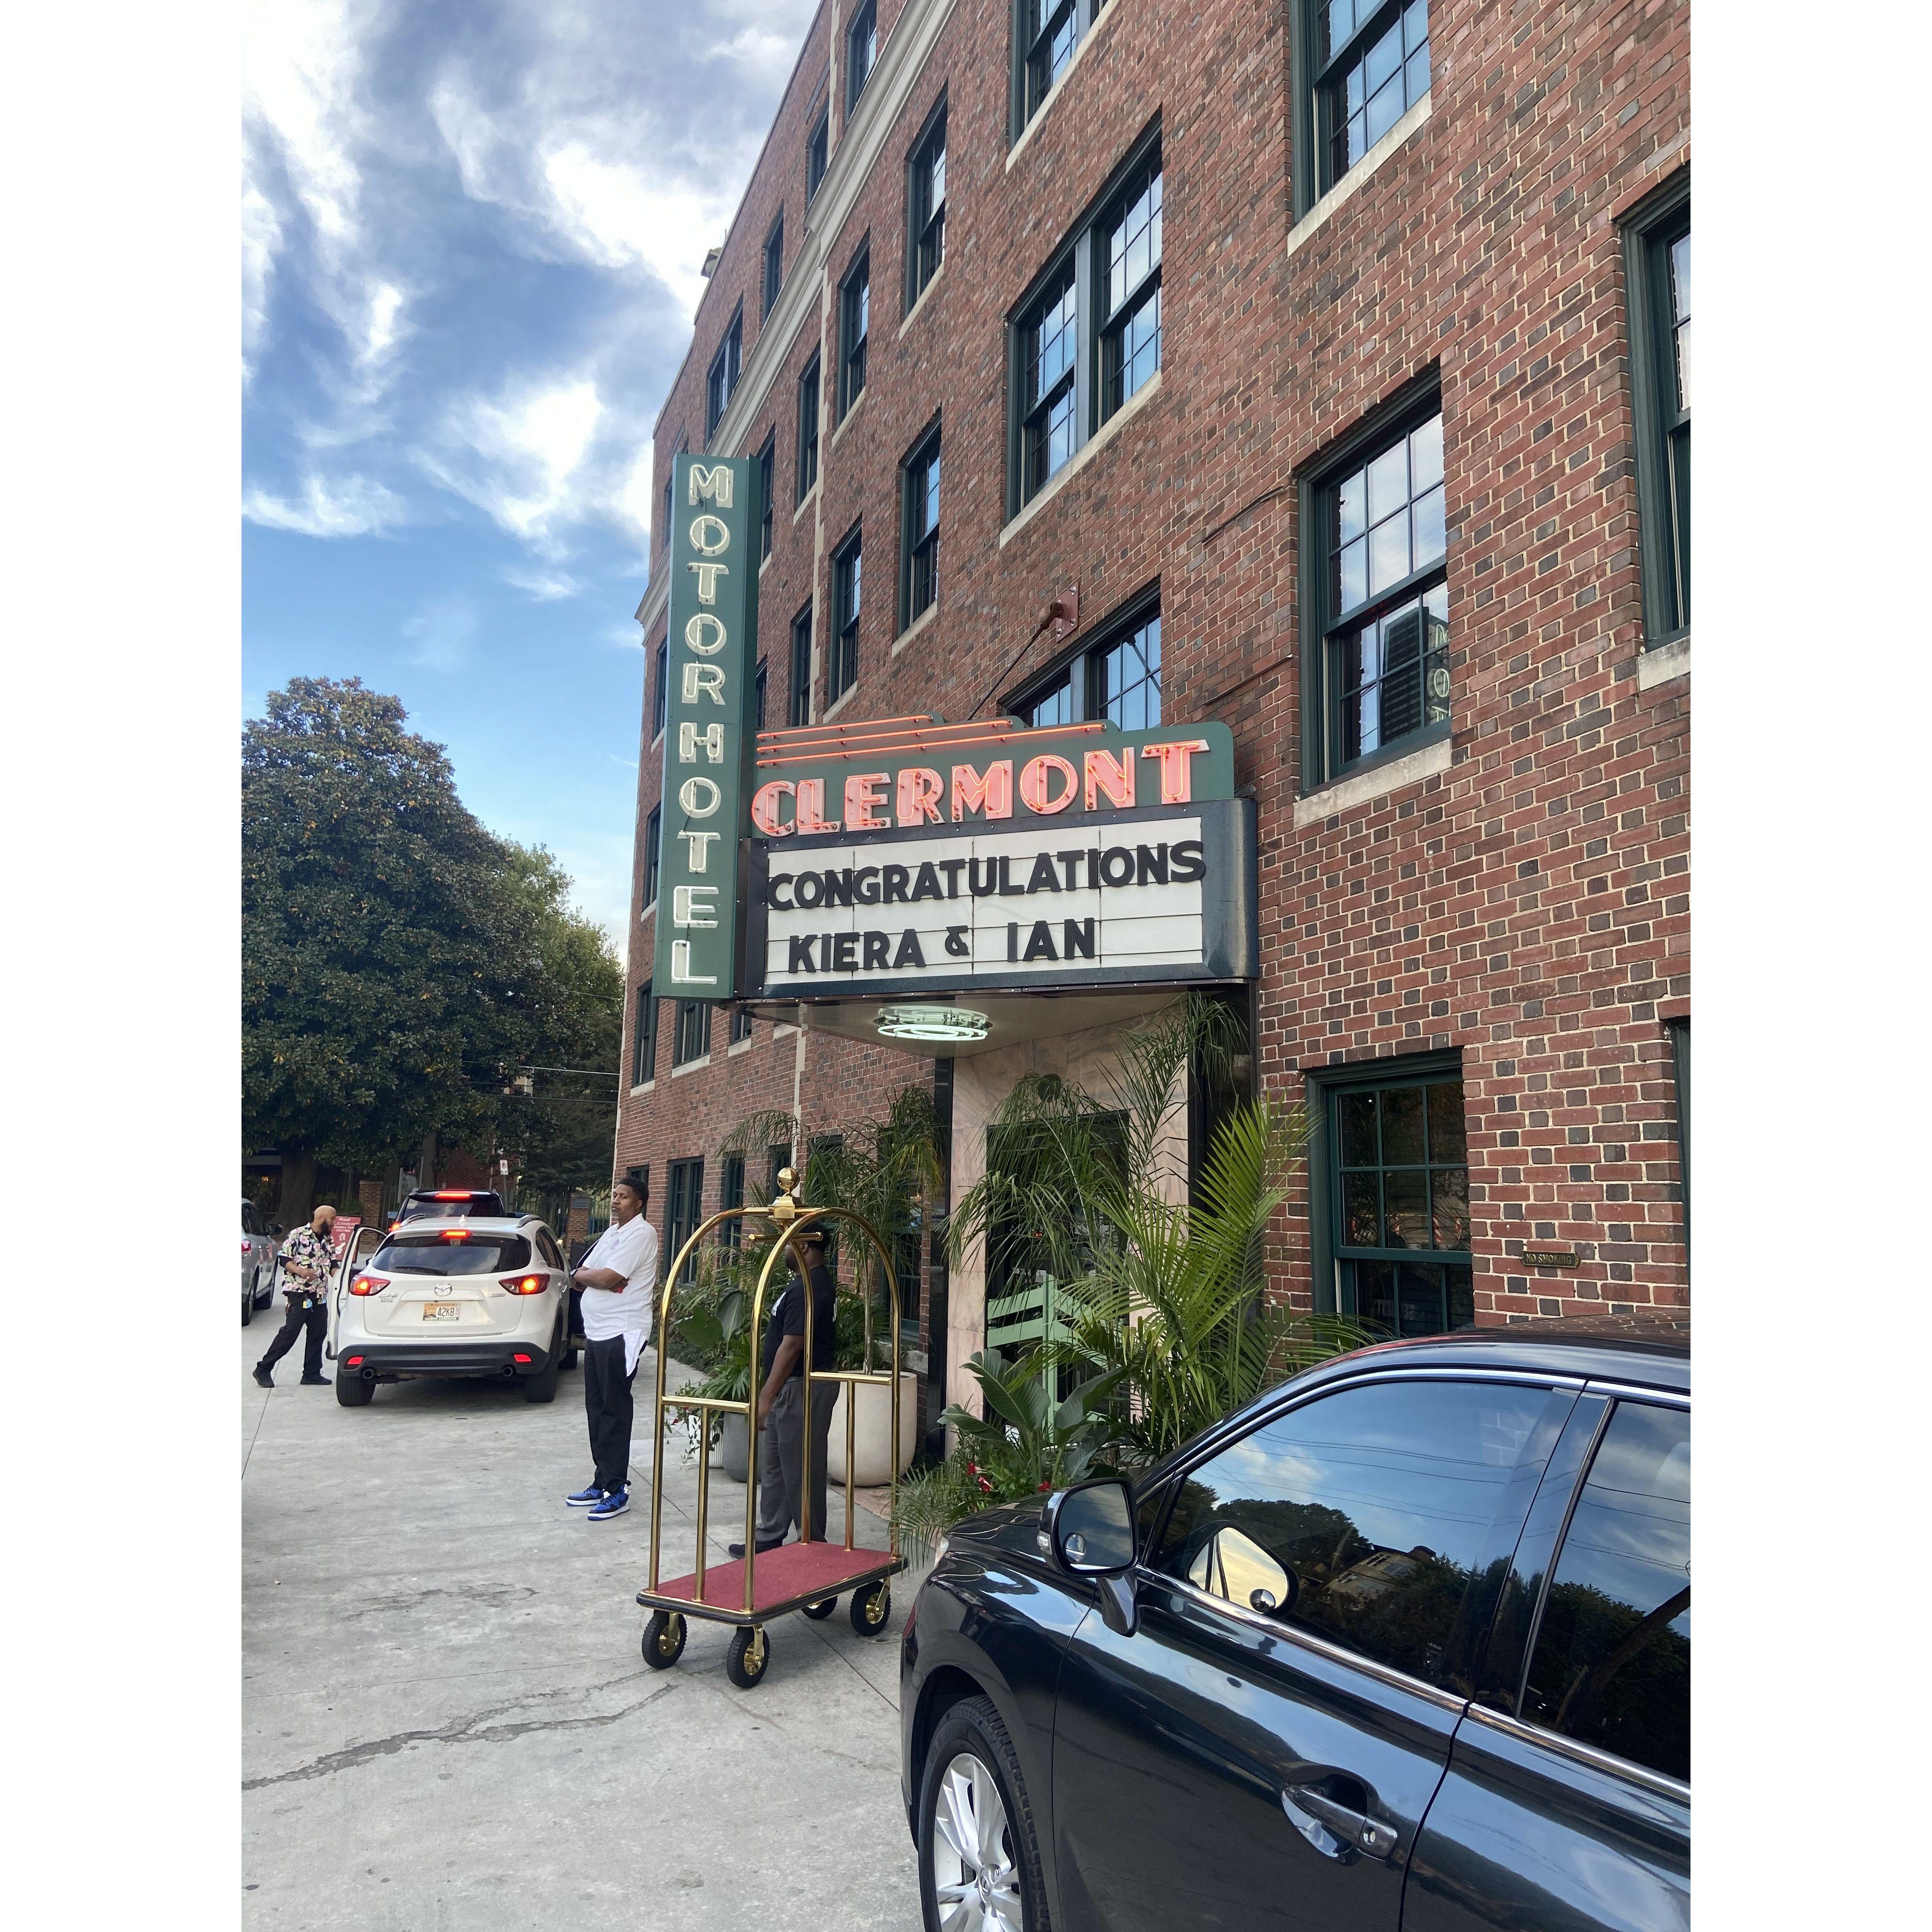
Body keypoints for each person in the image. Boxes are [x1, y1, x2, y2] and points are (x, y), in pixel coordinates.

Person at [731, 1221, 838, 1558]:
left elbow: (793, 1345)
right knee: (776, 1465)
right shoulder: (806, 1284)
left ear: (805, 1246)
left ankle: (812, 1541)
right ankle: (770, 1534)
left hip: (800, 1387)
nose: (784, 1249)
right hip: (790, 1388)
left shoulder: (810, 1287)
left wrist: (765, 1397)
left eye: (789, 1243)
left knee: (802, 1467)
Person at [564, 1176, 658, 1522]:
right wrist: (590, 1274)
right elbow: (587, 1273)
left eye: (624, 1197)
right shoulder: (611, 1233)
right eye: (615, 1196)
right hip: (597, 1332)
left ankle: (617, 1490)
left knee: (614, 1409)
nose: (617, 1201)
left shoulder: (641, 1234)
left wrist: (591, 1275)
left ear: (639, 1203)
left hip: (623, 1332)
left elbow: (605, 1278)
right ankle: (602, 1480)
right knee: (597, 1406)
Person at [253, 1205, 338, 1388]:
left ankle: (312, 1373)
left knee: (318, 1333)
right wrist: (300, 1271)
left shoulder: (328, 1240)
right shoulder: (298, 1235)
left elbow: (332, 1263)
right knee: (290, 1333)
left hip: (319, 1294)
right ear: (322, 1218)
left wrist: (342, 1278)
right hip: (299, 1293)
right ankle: (263, 1368)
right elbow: (284, 1258)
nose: (334, 1223)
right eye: (332, 1219)